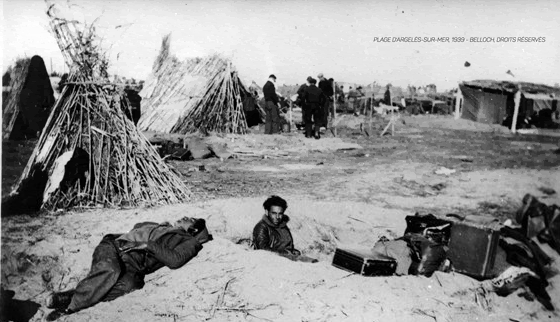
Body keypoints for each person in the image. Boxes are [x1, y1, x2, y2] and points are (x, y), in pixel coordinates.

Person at [44, 217, 212, 321]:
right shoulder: (163, 226)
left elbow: (175, 261)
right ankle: (70, 307)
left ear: (193, 230)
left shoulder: (186, 241)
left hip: (131, 266)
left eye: (190, 219)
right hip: (113, 247)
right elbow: (138, 226)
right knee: (111, 270)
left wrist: (147, 244)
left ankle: (71, 296)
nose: (184, 217)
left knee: (130, 285)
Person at [253, 196, 317, 263]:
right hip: (275, 260)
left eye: (280, 214)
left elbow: (287, 245)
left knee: (314, 262)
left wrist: (293, 251)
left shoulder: (282, 225)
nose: (277, 217)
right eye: (274, 213)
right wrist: (286, 253)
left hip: (289, 257)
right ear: (267, 212)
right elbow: (262, 249)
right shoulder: (261, 227)